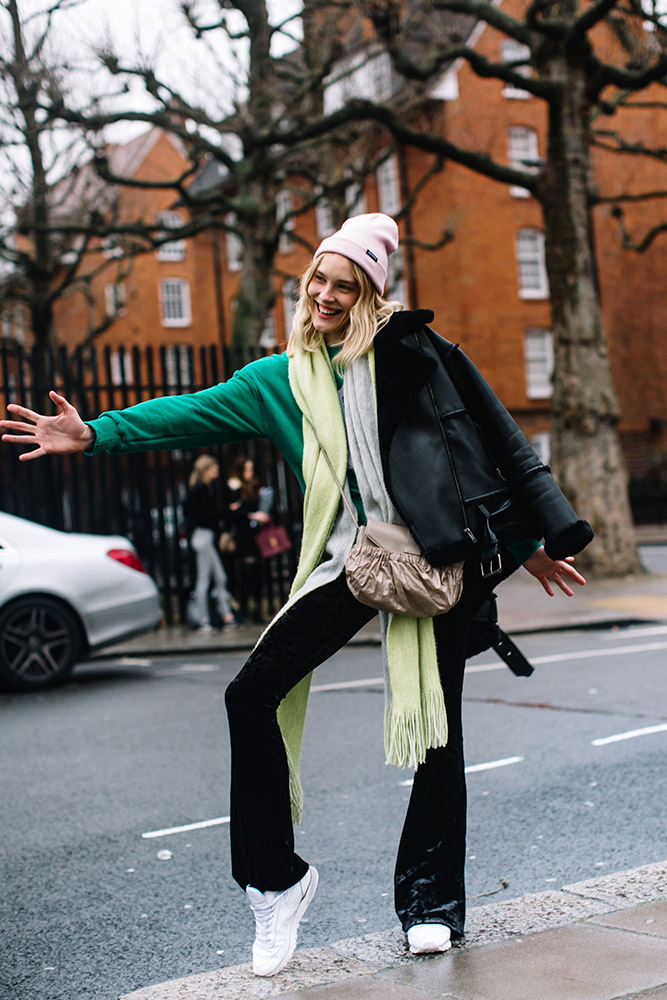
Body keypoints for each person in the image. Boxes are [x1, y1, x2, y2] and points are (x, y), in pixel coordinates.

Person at [0, 213, 593, 978]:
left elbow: (480, 454)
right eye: (320, 278)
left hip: (434, 562)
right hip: (346, 560)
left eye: (346, 285)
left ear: (370, 296)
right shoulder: (276, 382)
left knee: (438, 732)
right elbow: (191, 412)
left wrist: (525, 545)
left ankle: (431, 905)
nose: (326, 295)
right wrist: (96, 435)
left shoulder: (411, 362)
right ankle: (276, 882)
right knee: (250, 695)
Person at [185, 454, 238, 632]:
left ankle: (226, 615)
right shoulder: (199, 489)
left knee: (220, 577)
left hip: (204, 537)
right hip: (203, 537)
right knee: (204, 579)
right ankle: (204, 619)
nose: (217, 471)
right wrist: (226, 511)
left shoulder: (202, 488)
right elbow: (204, 517)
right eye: (214, 468)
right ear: (207, 470)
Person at [223, 456, 271, 624]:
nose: (250, 473)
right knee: (245, 572)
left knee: (257, 572)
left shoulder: (255, 486)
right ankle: (243, 610)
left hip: (256, 534)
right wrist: (252, 515)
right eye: (246, 469)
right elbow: (233, 513)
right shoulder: (234, 487)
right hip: (243, 535)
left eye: (251, 469)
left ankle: (257, 609)